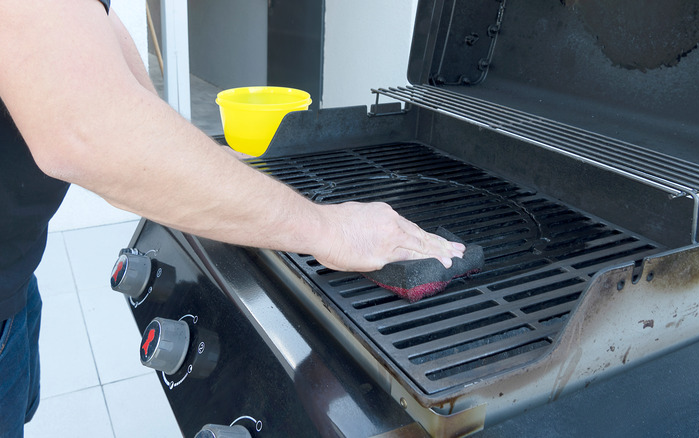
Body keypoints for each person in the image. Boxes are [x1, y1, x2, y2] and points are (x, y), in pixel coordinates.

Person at [0, 0, 464, 435]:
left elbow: (113, 77)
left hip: (14, 278)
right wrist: (330, 229)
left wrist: (217, 170)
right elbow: (90, 131)